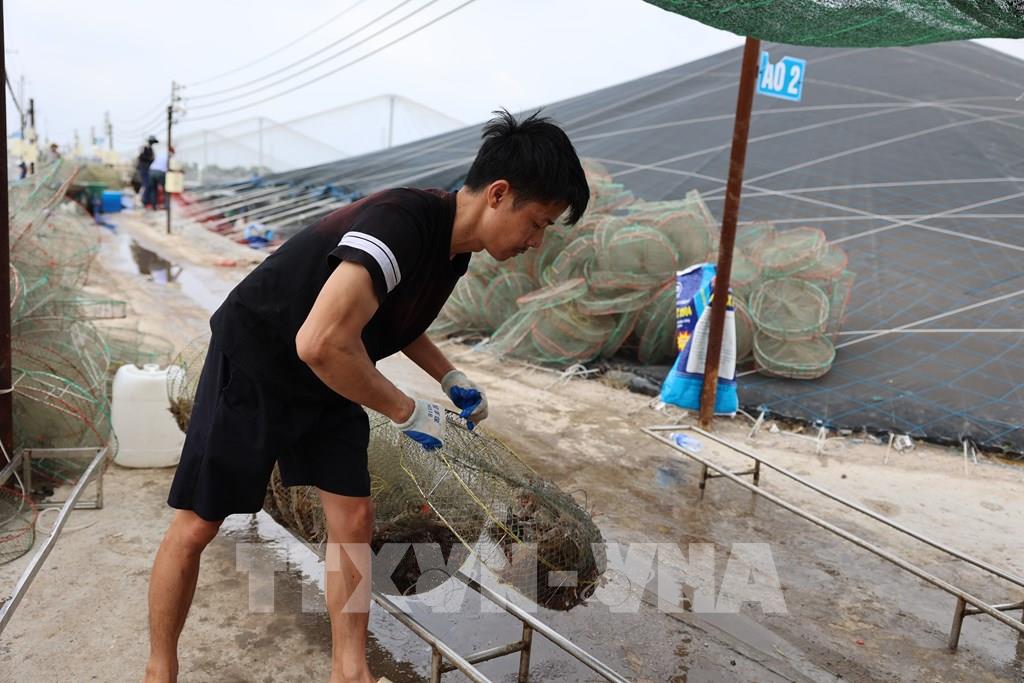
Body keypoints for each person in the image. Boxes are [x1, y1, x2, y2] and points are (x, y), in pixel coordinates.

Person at [143, 109, 589, 683]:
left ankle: (349, 672)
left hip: (332, 373)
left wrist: (448, 374)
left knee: (354, 517)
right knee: (199, 524)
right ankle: (160, 669)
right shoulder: (400, 223)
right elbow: (318, 342)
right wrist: (407, 410)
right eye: (538, 222)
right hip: (259, 360)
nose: (536, 240)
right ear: (499, 194)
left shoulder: (454, 251)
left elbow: (388, 316)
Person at [136, 135, 157, 204]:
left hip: (147, 169)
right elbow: (141, 157)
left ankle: (145, 201)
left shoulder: (150, 149)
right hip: (143, 169)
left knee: (148, 185)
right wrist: (150, 159)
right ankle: (142, 200)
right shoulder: (145, 148)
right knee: (145, 185)